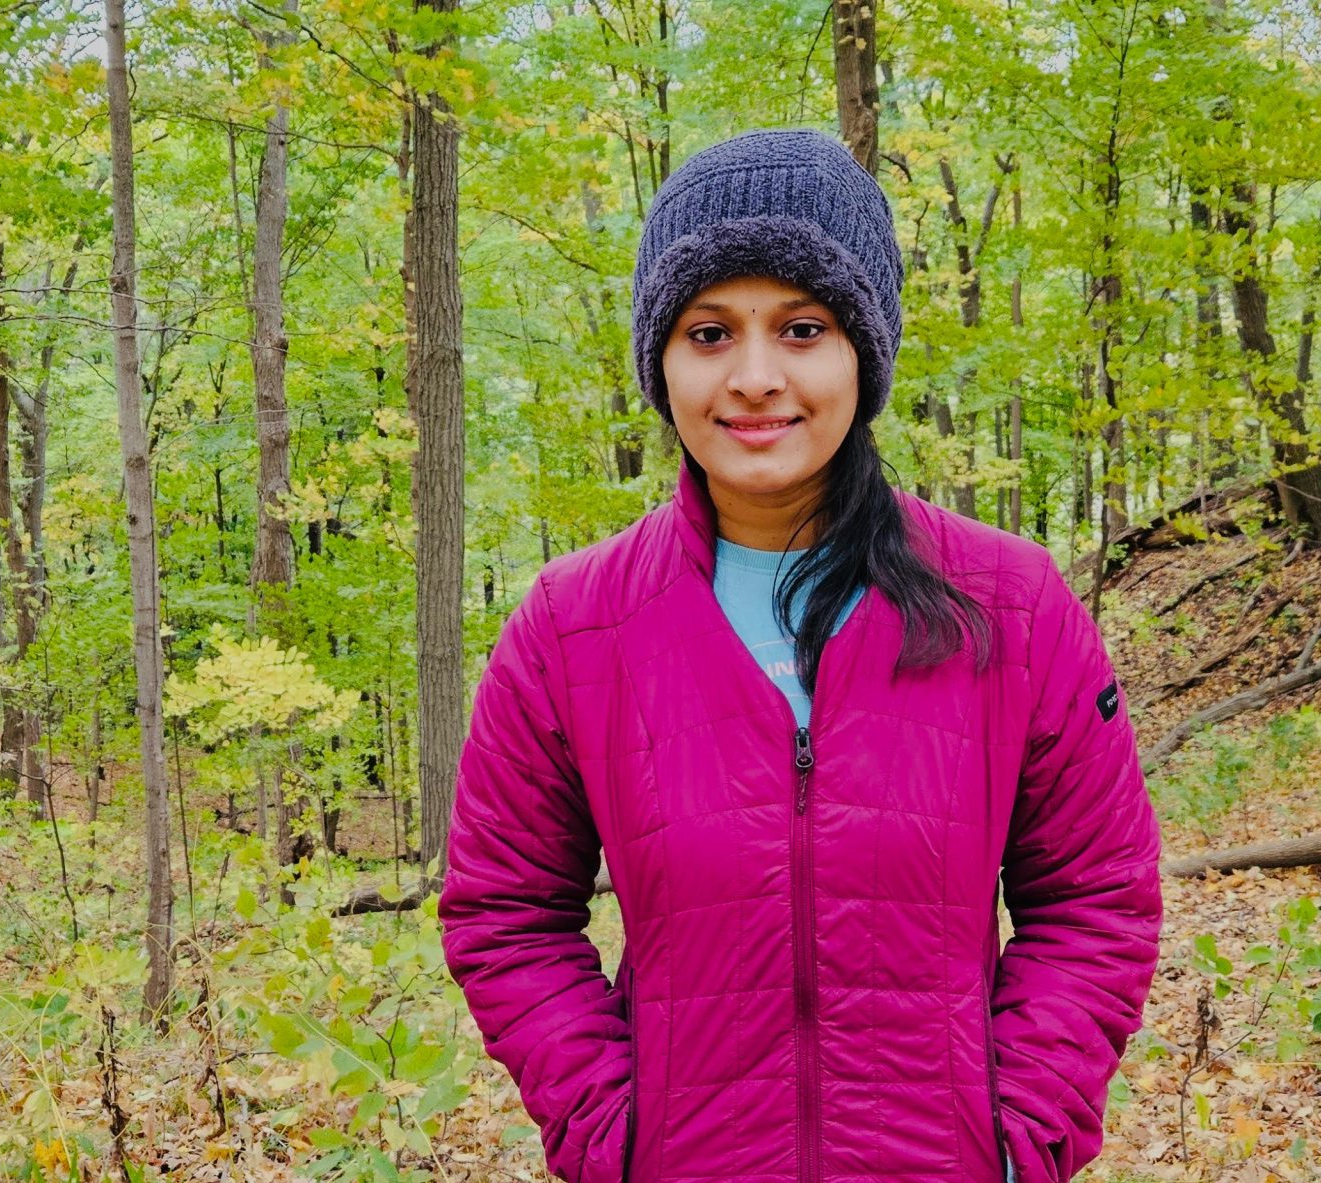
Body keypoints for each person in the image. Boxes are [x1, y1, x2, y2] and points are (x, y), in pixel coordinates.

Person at [439, 128, 1162, 1183]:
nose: (755, 377)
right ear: (661, 361)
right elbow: (504, 912)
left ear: (862, 350)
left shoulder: (1010, 605)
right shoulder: (572, 627)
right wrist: (610, 1135)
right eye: (709, 332)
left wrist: (1019, 1135)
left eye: (802, 327)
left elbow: (1096, 898)